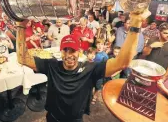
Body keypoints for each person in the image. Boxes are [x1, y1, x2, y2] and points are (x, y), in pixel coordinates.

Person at [17, 10, 150, 122]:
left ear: (79, 51)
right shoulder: (51, 65)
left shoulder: (90, 68)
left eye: (73, 50)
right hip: (52, 118)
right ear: (60, 52)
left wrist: (135, 25)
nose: (69, 55)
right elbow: (23, 58)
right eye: (66, 50)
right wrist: (21, 26)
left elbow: (122, 63)